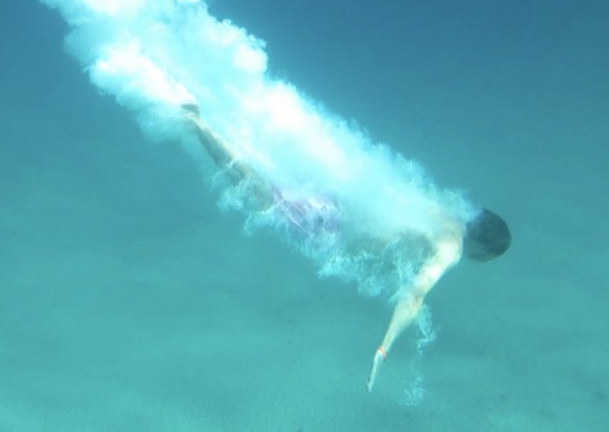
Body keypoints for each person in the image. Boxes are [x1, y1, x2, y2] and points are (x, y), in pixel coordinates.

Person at [182, 102, 511, 392]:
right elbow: (414, 294)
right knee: (258, 191)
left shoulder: (450, 207)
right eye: (486, 257)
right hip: (334, 222)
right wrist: (384, 347)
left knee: (271, 177)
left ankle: (215, 115)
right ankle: (197, 124)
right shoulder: (450, 246)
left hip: (342, 198)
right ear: (480, 249)